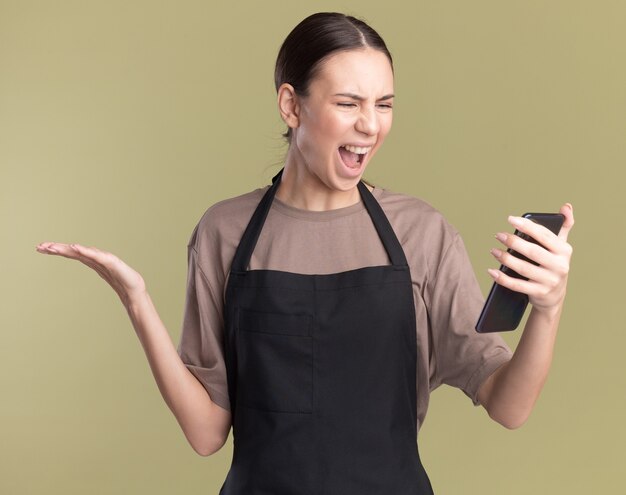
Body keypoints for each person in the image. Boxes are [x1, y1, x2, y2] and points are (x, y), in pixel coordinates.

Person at [35, 11, 574, 494]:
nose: (370, 125)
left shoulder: (421, 233)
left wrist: (547, 309)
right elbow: (206, 434)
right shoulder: (225, 231)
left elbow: (509, 405)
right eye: (348, 103)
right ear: (292, 105)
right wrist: (137, 301)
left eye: (384, 104)